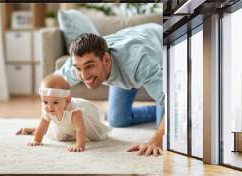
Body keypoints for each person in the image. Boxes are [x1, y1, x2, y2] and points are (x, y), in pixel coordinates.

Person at [56, 23, 164, 156]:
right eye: (79, 69)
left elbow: (174, 105)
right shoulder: (76, 65)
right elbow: (52, 85)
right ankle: (158, 106)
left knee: (164, 130)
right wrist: (51, 120)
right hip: (129, 45)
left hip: (158, 43)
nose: (84, 76)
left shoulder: (140, 63)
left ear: (106, 59)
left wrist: (156, 140)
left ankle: (161, 104)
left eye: (89, 66)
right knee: (117, 120)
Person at [24, 74, 111, 152]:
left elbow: (80, 130)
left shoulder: (74, 112)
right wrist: (37, 141)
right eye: (45, 102)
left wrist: (79, 145)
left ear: (68, 100)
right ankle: (33, 130)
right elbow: (43, 125)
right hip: (64, 124)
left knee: (96, 137)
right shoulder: (47, 109)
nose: (50, 107)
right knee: (58, 137)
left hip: (83, 125)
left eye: (55, 102)